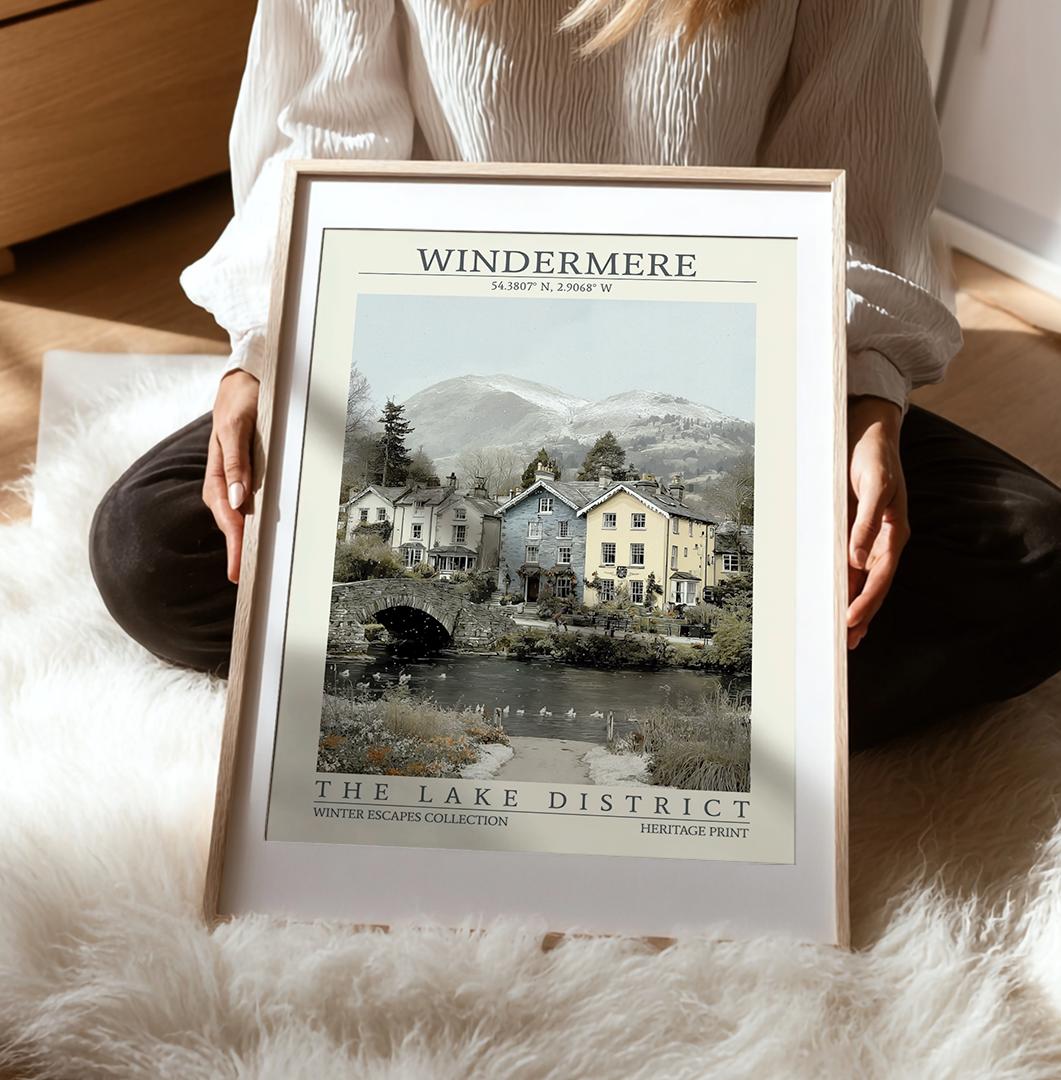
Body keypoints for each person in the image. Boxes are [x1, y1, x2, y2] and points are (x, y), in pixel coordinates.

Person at [90, 0, 1061, 749]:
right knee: (156, 547)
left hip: (748, 364)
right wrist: (265, 354)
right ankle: (727, 709)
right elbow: (318, 142)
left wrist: (859, 399)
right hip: (438, 337)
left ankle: (647, 720)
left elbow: (857, 170)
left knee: (1038, 561)